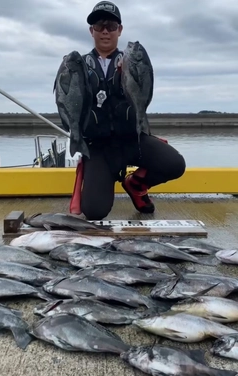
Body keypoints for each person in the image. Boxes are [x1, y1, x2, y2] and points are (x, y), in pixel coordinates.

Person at [64, 1, 186, 220]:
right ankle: (90, 172)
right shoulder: (77, 65)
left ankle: (136, 185)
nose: (105, 31)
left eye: (111, 25)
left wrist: (124, 80)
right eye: (99, 25)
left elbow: (144, 92)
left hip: (133, 139)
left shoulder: (133, 62)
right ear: (91, 30)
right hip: (99, 148)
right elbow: (71, 100)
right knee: (94, 211)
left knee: (175, 164)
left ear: (119, 30)